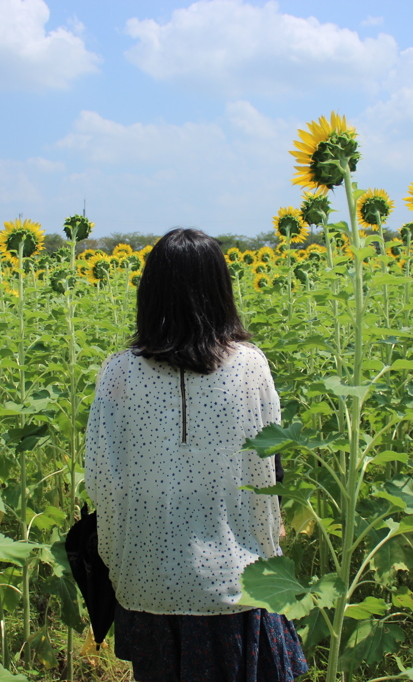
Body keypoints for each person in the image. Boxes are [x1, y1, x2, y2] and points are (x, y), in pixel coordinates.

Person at [84, 228, 308, 681]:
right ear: (220, 291)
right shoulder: (250, 365)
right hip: (235, 578)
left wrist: (117, 560)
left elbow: (102, 481)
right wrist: (271, 539)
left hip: (148, 581)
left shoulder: (119, 373)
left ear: (149, 293)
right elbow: (269, 461)